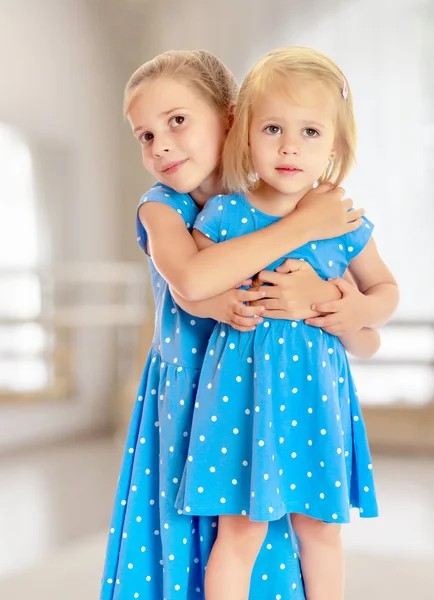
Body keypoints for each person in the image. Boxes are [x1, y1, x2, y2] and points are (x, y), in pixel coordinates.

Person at [100, 49, 379, 600]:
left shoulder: (268, 198)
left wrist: (325, 296)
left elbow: (360, 318)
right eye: (145, 136)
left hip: (260, 401)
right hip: (186, 404)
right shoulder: (164, 207)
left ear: (232, 118)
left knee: (268, 542)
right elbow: (194, 281)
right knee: (195, 542)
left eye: (177, 121)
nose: (161, 146)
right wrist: (303, 225)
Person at [177, 46, 399, 600]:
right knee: (239, 531)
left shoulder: (345, 222)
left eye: (310, 132)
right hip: (239, 397)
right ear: (246, 134)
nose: (290, 147)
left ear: (335, 145)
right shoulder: (226, 216)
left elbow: (386, 293)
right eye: (273, 127)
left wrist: (353, 310)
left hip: (314, 398)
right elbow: (194, 287)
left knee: (320, 530)